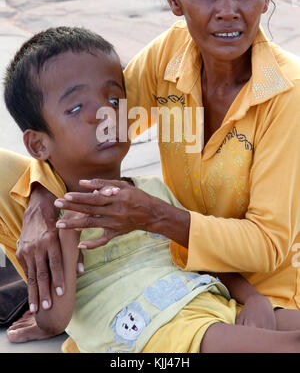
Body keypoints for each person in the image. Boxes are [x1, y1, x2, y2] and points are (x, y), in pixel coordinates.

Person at [1, 0, 300, 350]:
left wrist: (159, 217)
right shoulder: (171, 56)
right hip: (164, 258)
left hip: (252, 282)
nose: (228, 10)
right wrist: (42, 200)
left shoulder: (285, 93)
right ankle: (70, 285)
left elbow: (268, 246)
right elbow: (102, 125)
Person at [2, 25, 292, 354]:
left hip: (205, 303)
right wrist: (65, 236)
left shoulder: (150, 192)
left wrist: (253, 298)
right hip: (156, 335)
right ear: (38, 144)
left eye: (114, 99)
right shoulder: (64, 221)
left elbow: (199, 258)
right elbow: (55, 321)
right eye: (75, 108)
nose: (104, 113)